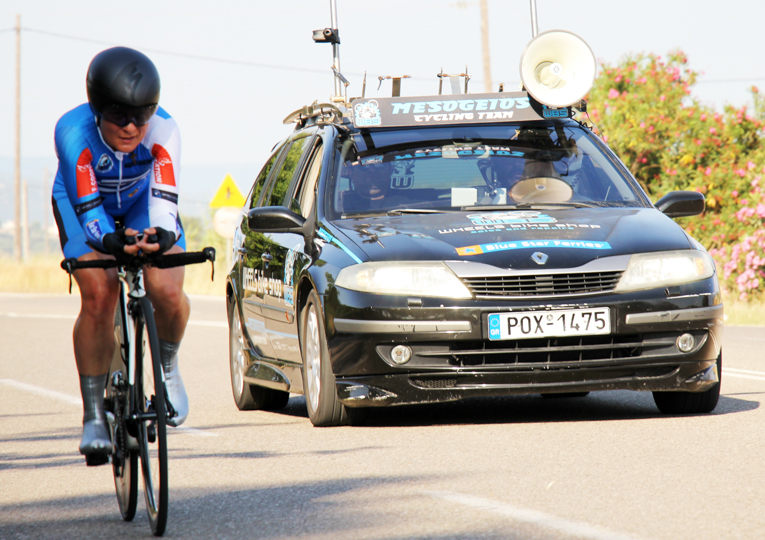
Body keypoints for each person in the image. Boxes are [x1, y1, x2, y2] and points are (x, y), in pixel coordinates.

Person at [52, 47, 190, 465]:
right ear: (97, 109)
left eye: (141, 115)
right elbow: (92, 215)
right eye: (119, 117)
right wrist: (113, 244)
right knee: (99, 290)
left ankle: (166, 370)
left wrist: (161, 238)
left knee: (166, 286)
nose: (132, 127)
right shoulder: (72, 131)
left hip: (140, 202)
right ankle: (93, 413)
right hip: (84, 206)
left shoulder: (164, 129)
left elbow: (165, 203)